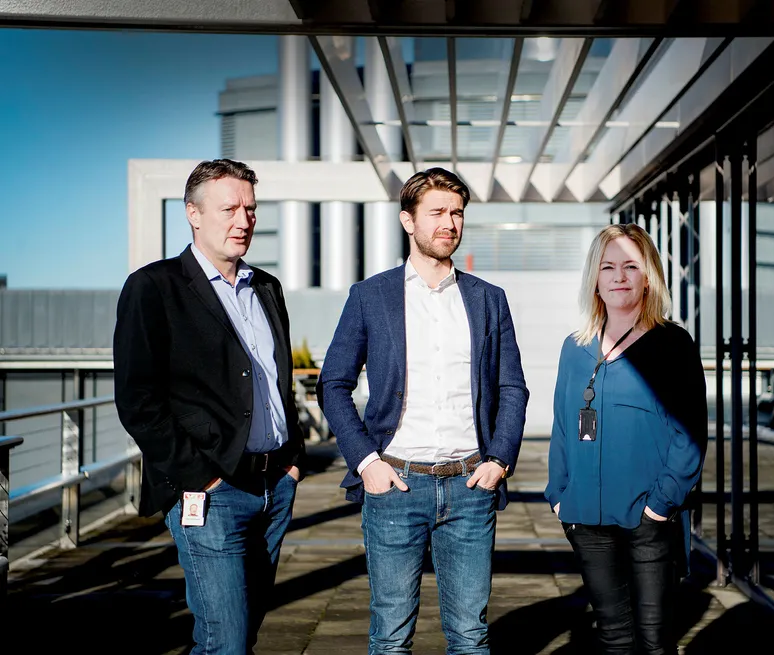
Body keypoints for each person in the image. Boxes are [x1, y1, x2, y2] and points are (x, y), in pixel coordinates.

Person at [317, 167, 529, 654]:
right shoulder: (371, 296)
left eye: (457, 213)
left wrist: (499, 460)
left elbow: (512, 387)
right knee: (390, 637)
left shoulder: (488, 300)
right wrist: (366, 463)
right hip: (395, 484)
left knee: (472, 637)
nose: (449, 224)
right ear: (407, 221)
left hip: (471, 486)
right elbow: (334, 384)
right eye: (436, 212)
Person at [113, 158, 305, 655]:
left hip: (274, 486)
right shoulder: (154, 288)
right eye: (229, 208)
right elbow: (138, 399)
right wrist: (199, 474)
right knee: (227, 641)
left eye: (251, 208)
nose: (244, 220)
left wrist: (293, 460)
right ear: (193, 214)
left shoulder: (266, 287)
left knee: (244, 630)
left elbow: (275, 381)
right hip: (212, 491)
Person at [545, 223, 707, 655]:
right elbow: (562, 425)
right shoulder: (574, 347)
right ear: (594, 279)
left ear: (648, 276)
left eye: (631, 266)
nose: (619, 276)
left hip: (648, 520)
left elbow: (689, 434)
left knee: (655, 643)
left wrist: (660, 506)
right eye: (609, 267)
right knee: (613, 638)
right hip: (586, 520)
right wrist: (559, 494)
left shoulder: (672, 344)